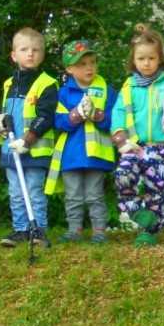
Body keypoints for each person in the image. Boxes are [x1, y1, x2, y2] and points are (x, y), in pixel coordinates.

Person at [0, 27, 58, 249]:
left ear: (42, 54)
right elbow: (5, 113)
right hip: (11, 151)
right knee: (16, 193)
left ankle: (38, 231)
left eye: (36, 50)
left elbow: (46, 116)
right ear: (14, 55)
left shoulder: (47, 83)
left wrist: (27, 141)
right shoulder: (8, 84)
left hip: (34, 150)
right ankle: (20, 229)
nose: (30, 54)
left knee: (34, 192)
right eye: (24, 49)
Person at [46, 39, 118, 244]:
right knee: (73, 195)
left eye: (92, 62)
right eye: (82, 64)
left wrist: (100, 117)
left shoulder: (106, 89)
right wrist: (73, 117)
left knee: (95, 195)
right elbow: (57, 122)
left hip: (96, 154)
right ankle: (74, 230)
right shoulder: (63, 93)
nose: (89, 67)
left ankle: (99, 231)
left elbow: (116, 120)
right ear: (69, 69)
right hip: (70, 154)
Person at [110, 24, 164, 247]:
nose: (146, 63)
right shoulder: (129, 86)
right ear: (134, 60)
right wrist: (120, 137)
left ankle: (149, 232)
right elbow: (118, 112)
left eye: (151, 58)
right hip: (134, 146)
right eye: (141, 58)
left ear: (159, 59)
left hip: (160, 146)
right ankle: (136, 212)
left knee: (157, 189)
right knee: (122, 177)